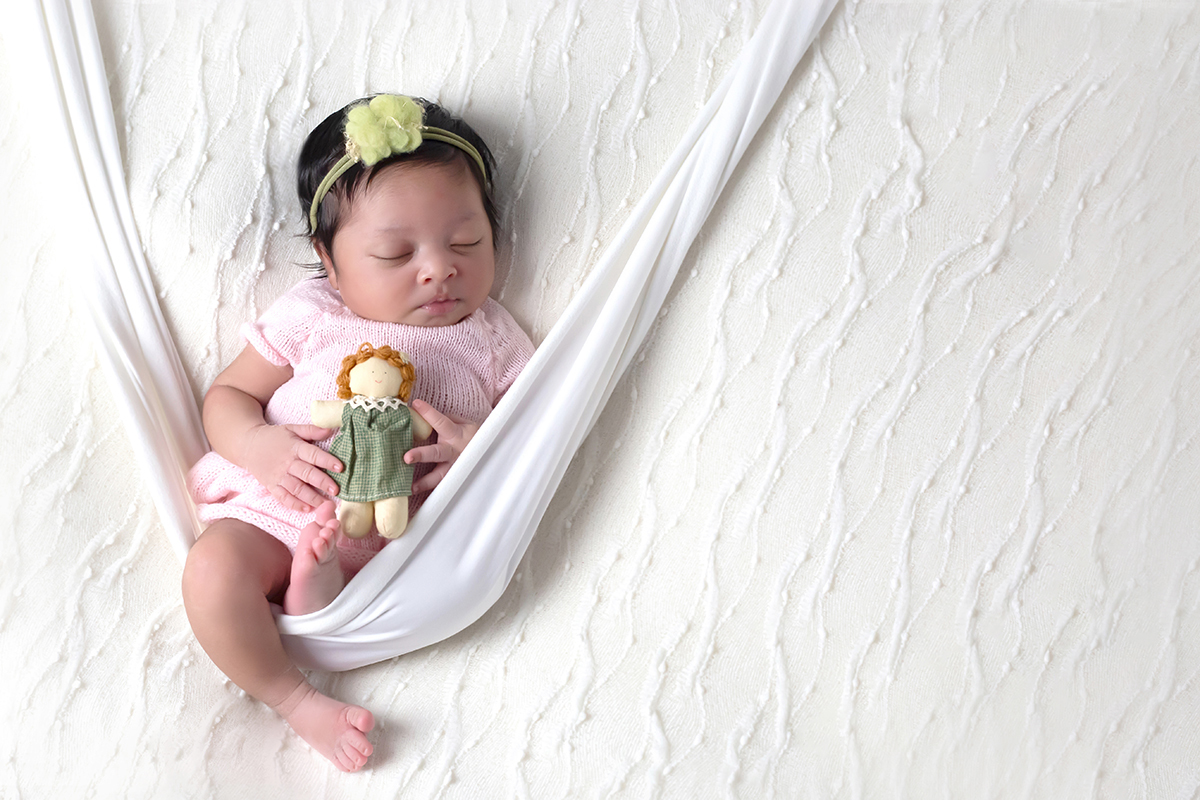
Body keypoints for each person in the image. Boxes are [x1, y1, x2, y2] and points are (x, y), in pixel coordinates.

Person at [183, 94, 534, 772]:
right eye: (394, 253)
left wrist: (475, 446)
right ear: (331, 261)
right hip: (272, 516)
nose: (439, 268)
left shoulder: (492, 337)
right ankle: (292, 697)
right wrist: (259, 445)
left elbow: (531, 438)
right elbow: (227, 397)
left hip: (396, 550)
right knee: (211, 570)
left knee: (343, 564)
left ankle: (321, 592)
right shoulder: (313, 310)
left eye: (467, 242)